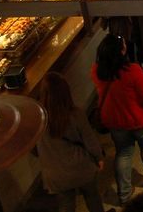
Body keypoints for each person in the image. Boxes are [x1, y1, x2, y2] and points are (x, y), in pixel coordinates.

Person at [91, 34, 143, 205]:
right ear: (121, 51)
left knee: (123, 153)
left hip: (115, 121)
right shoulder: (133, 71)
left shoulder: (97, 71)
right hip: (139, 118)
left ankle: (124, 192)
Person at [36, 72, 106, 212]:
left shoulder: (38, 119)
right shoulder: (75, 114)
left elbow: (33, 147)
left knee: (66, 206)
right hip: (82, 167)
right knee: (93, 198)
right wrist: (99, 158)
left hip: (56, 174)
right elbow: (90, 140)